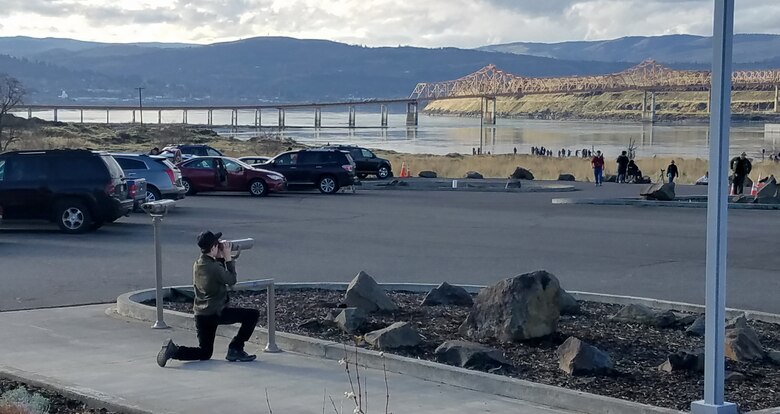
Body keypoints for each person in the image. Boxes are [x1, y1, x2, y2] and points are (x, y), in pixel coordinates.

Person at [157, 231, 259, 367]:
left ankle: (174, 351)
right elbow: (231, 280)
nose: (220, 246)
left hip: (201, 314)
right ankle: (236, 348)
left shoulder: (198, 263)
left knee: (205, 352)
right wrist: (228, 258)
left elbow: (216, 273)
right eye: (217, 245)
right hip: (216, 312)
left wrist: (221, 258)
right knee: (252, 315)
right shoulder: (214, 267)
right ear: (213, 248)